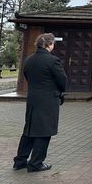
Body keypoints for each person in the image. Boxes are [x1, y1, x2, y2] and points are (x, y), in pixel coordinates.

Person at [13, 33, 67, 173]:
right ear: (49, 45)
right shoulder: (53, 60)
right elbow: (62, 81)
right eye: (53, 43)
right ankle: (36, 162)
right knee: (43, 132)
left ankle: (20, 160)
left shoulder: (29, 59)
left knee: (29, 130)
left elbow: (26, 76)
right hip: (48, 100)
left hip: (33, 98)